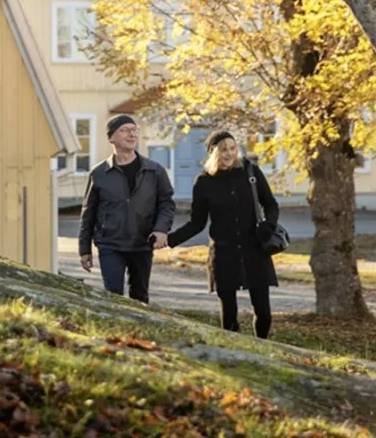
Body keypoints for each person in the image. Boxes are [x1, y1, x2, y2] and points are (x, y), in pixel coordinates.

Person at [167, 129, 279, 337]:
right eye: (223, 149)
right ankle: (234, 350)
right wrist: (169, 240)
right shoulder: (204, 182)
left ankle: (262, 346)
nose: (229, 153)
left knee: (263, 310)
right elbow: (196, 223)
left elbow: (271, 205)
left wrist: (268, 226)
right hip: (224, 253)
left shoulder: (251, 172)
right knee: (229, 313)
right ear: (213, 153)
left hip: (254, 249)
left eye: (232, 148)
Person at [78, 114, 175, 304]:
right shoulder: (99, 173)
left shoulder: (154, 171)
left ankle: (140, 325)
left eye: (134, 130)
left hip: (142, 243)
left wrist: (161, 229)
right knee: (113, 296)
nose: (131, 134)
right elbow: (88, 213)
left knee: (140, 297)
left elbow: (166, 204)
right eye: (124, 130)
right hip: (110, 244)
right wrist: (84, 249)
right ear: (111, 137)